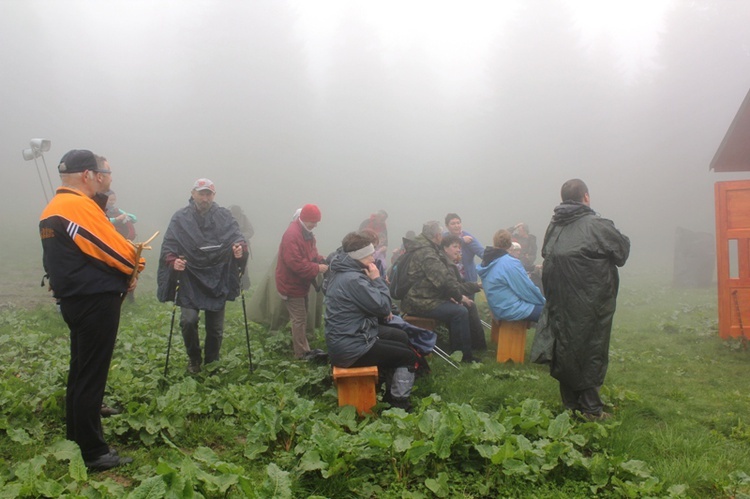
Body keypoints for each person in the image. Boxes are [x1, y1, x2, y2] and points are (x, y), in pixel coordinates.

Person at [40, 149, 144, 471]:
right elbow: (113, 249)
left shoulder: (54, 206)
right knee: (91, 377)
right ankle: (93, 452)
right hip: (94, 300)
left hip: (75, 299)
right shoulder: (75, 206)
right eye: (101, 173)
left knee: (81, 372)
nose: (104, 179)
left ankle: (76, 438)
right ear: (87, 175)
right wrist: (135, 265)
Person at [538, 179, 630, 421]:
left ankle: (571, 404)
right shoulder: (597, 225)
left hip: (560, 300)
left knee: (566, 347)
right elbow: (622, 252)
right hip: (590, 302)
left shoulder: (554, 227)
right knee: (589, 348)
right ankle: (590, 409)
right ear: (586, 197)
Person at [157, 178, 248, 374]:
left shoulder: (224, 216)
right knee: (188, 321)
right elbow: (168, 246)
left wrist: (240, 248)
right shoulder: (180, 218)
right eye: (201, 193)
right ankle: (194, 359)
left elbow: (237, 237)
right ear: (193, 193)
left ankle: (212, 363)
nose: (205, 198)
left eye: (209, 194)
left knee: (215, 329)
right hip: (190, 278)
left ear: (213, 196)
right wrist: (174, 261)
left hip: (218, 276)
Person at [325, 232, 418, 410]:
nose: (373, 259)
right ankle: (399, 404)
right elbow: (383, 308)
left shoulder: (342, 271)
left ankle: (387, 387)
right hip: (352, 347)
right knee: (408, 356)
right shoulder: (353, 279)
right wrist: (377, 280)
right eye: (370, 255)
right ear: (359, 257)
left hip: (346, 339)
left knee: (400, 340)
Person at [399, 221, 478, 363]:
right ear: (437, 235)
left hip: (422, 297)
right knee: (459, 312)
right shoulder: (427, 253)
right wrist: (460, 297)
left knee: (457, 309)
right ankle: (463, 357)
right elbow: (443, 280)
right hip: (419, 301)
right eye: (441, 234)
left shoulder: (423, 248)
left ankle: (463, 350)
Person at [276, 204, 329, 359]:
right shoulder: (292, 235)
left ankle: (304, 348)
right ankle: (301, 354)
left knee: (302, 316)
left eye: (317, 222)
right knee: (299, 319)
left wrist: (320, 260)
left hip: (300, 284)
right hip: (291, 285)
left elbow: (311, 253)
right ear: (304, 219)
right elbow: (295, 263)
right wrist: (317, 268)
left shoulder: (307, 233)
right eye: (313, 221)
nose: (315, 225)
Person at [477, 229, 545, 323]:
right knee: (552, 314)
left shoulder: (488, 261)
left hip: (497, 308)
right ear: (510, 244)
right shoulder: (509, 263)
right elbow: (525, 289)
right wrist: (543, 302)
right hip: (511, 309)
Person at [441, 234, 486, 351]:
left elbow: (455, 286)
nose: (458, 250)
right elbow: (453, 288)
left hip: (444, 296)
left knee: (470, 304)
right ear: (445, 248)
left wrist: (478, 285)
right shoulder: (443, 263)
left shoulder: (449, 262)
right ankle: (463, 351)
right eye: (455, 246)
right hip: (435, 300)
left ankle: (478, 346)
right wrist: (459, 297)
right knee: (463, 309)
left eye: (459, 247)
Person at [444, 213, 484, 285]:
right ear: (447, 226)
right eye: (453, 224)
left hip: (467, 279)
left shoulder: (469, 238)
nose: (456, 226)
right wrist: (461, 240)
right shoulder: (444, 238)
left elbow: (481, 252)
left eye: (458, 223)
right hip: (450, 279)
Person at [228, 205, 255, 291]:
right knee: (231, 266)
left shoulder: (244, 218)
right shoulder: (227, 218)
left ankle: (245, 286)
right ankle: (233, 286)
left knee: (243, 267)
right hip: (229, 246)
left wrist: (240, 237)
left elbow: (251, 231)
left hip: (243, 246)